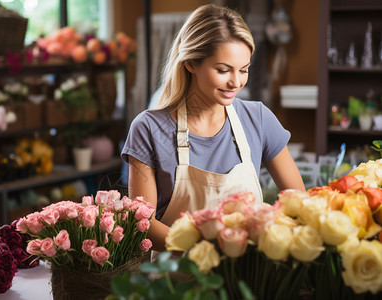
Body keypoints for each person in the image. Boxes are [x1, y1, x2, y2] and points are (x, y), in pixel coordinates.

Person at [121, 4, 305, 252]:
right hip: (179, 281)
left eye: (244, 70)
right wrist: (209, 251)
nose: (236, 82)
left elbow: (298, 202)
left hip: (250, 278)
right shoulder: (149, 128)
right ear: (191, 63)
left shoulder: (259, 118)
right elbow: (142, 222)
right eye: (223, 70)